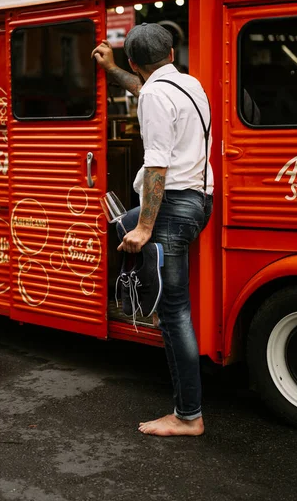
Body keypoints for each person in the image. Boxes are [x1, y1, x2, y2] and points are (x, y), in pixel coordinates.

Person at [91, 24, 213, 436]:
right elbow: (147, 88)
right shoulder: (189, 85)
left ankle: (187, 416)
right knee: (116, 227)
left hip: (172, 207)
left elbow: (157, 163)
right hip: (196, 201)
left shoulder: (156, 95)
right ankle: (127, 294)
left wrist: (145, 226)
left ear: (134, 62)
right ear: (173, 53)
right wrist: (111, 71)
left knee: (174, 314)